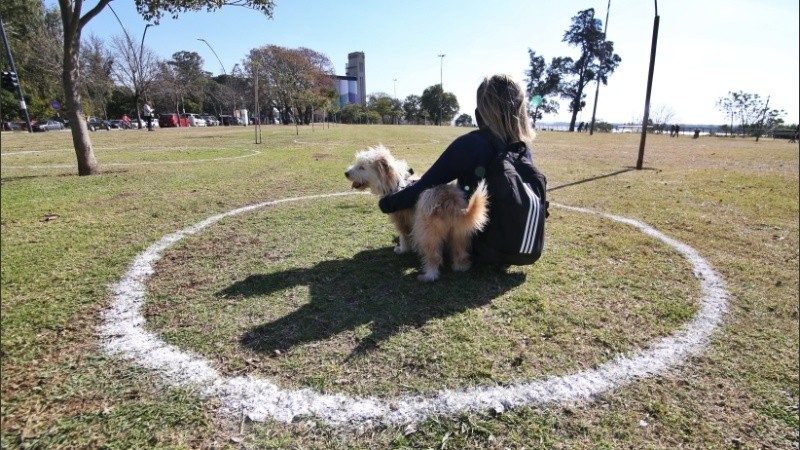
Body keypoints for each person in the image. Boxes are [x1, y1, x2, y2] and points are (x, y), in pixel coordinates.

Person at [378, 73, 535, 263]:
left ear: (481, 111)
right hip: (519, 245)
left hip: (475, 241)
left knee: (422, 231)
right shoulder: (523, 150)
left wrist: (388, 203)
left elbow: (425, 186)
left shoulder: (470, 144)